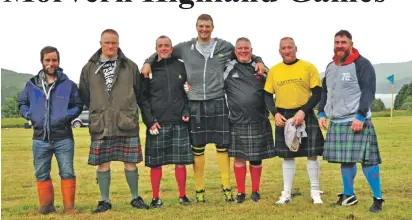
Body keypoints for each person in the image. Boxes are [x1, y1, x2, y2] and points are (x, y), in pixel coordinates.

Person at [141, 13, 266, 203]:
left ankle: (227, 188)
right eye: (201, 26)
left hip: (218, 101)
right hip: (195, 103)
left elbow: (244, 52)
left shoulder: (224, 46)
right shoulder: (185, 47)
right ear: (196, 27)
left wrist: (258, 59)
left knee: (222, 147)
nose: (204, 29)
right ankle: (199, 190)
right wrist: (147, 62)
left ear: (213, 27)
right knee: (197, 148)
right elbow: (163, 51)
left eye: (207, 26)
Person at [79, 29, 151, 213]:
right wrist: (100, 109)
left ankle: (135, 198)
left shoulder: (130, 66)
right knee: (103, 163)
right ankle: (104, 201)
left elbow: (140, 93)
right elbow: (85, 96)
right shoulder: (88, 68)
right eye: (107, 43)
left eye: (114, 43)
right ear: (100, 43)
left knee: (130, 162)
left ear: (118, 43)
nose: (111, 46)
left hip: (126, 121)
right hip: (101, 122)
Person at [318, 30, 384, 213]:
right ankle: (349, 195)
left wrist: (361, 116)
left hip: (356, 120)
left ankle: (378, 198)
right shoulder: (331, 66)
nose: (340, 45)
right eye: (337, 42)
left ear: (351, 44)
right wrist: (321, 112)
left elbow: (369, 91)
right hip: (337, 121)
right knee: (345, 161)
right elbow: (325, 92)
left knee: (368, 161)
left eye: (343, 42)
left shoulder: (362, 64)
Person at [18, 46, 83, 215]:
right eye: (47, 60)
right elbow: (22, 103)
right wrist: (29, 114)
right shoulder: (32, 84)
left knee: (67, 171)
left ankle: (69, 208)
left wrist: (66, 115)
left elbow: (78, 105)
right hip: (40, 138)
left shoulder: (68, 85)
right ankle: (46, 207)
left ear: (58, 62)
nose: (51, 63)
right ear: (42, 62)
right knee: (41, 173)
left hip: (63, 138)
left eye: (54, 60)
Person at [264, 37, 325, 205]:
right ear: (279, 51)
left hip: (305, 113)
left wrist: (303, 111)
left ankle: (315, 191)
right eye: (283, 48)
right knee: (287, 156)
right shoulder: (274, 71)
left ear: (295, 48)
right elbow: (267, 95)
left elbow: (317, 93)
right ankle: (286, 194)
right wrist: (274, 113)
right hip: (283, 115)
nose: (286, 51)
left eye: (289, 47)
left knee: (311, 154)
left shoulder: (308, 67)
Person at [141, 35, 194, 208]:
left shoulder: (180, 65)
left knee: (181, 162)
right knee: (155, 163)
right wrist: (149, 121)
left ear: (172, 48)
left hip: (179, 121)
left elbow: (188, 92)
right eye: (160, 46)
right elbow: (143, 98)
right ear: (156, 49)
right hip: (158, 122)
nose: (163, 48)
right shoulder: (149, 68)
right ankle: (156, 198)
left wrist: (186, 110)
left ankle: (183, 196)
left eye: (166, 46)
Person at [224, 37, 276, 203]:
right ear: (235, 50)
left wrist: (259, 60)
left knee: (255, 158)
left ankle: (255, 191)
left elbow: (274, 86)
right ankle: (240, 192)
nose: (243, 51)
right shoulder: (227, 67)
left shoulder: (261, 68)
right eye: (240, 48)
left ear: (251, 51)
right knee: (239, 158)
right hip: (237, 121)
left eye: (247, 48)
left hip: (258, 120)